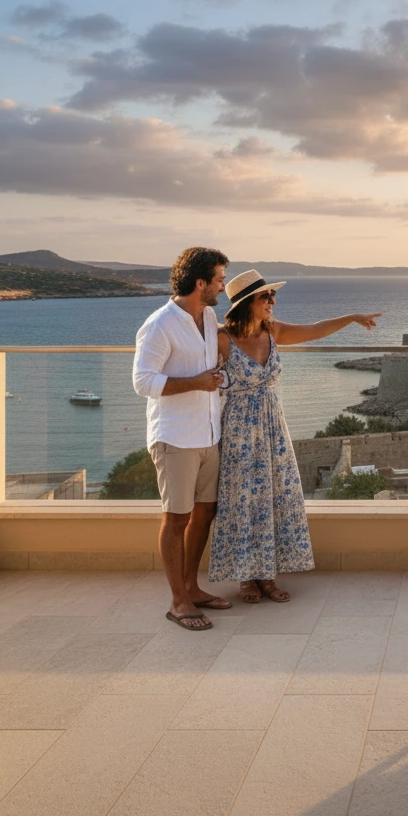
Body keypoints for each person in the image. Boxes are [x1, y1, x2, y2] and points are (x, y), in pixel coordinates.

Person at [207, 269, 380, 603]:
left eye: (273, 296)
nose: (272, 301)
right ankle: (246, 578)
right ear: (246, 304)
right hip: (239, 430)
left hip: (274, 427)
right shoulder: (221, 339)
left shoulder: (274, 332)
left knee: (273, 497)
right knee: (243, 501)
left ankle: (267, 576)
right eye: (265, 297)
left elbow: (315, 330)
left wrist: (351, 318)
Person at [133, 246, 232, 631]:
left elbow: (220, 348)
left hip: (209, 433)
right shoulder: (159, 325)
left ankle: (192, 586)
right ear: (200, 282)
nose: (223, 287)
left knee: (204, 512)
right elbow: (142, 381)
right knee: (177, 518)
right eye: (220, 279)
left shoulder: (207, 317)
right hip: (175, 438)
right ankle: (177, 601)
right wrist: (196, 383)